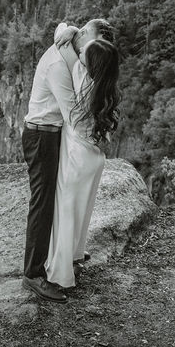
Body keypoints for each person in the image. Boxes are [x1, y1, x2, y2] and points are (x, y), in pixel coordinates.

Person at [21, 19, 115, 302]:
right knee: (44, 202)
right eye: (90, 46)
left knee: (57, 201)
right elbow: (73, 116)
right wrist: (97, 136)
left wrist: (67, 29)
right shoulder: (60, 67)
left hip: (55, 134)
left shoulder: (73, 46)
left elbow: (63, 27)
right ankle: (34, 274)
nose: (92, 55)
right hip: (43, 136)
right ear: (83, 36)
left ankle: (66, 254)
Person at [45, 23, 119, 289]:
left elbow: (62, 43)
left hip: (77, 157)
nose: (81, 55)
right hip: (93, 159)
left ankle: (60, 275)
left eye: (85, 54)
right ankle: (77, 252)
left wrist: (68, 29)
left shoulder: (80, 76)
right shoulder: (103, 88)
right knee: (82, 210)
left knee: (66, 213)